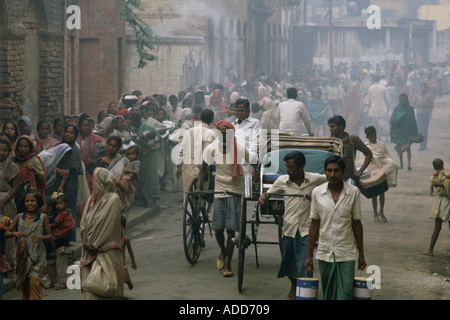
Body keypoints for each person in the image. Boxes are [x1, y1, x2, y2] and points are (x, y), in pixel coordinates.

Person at [258, 150, 327, 300]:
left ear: (301, 166)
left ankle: (306, 295)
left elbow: (332, 179)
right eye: (287, 167)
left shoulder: (314, 179)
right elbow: (268, 193)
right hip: (289, 228)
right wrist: (263, 197)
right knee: (288, 262)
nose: (288, 170)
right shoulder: (282, 180)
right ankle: (294, 285)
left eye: (291, 168)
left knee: (305, 263)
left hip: (307, 229)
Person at [305, 155, 366, 300]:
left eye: (336, 171)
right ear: (325, 172)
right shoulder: (317, 192)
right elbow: (314, 223)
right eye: (329, 171)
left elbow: (357, 224)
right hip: (325, 251)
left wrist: (362, 255)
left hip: (346, 252)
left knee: (345, 293)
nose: (333, 175)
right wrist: (308, 256)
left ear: (343, 172)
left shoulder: (353, 192)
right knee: (328, 293)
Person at [198, 121, 253, 278]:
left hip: (235, 191)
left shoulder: (240, 149)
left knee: (230, 230)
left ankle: (228, 265)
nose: (223, 136)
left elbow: (254, 162)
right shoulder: (212, 148)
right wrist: (199, 185)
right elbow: (203, 168)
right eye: (220, 133)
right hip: (220, 191)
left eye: (226, 133)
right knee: (218, 229)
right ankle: (222, 250)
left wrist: (252, 176)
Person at [80, 168, 124, 299]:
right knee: (90, 290)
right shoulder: (90, 201)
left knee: (108, 290)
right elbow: (83, 224)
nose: (90, 183)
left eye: (93, 180)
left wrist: (96, 245)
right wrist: (85, 243)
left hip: (107, 253)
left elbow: (109, 227)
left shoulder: (114, 200)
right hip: (89, 251)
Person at [5, 190, 53, 300]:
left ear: (38, 202)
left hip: (38, 256)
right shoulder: (19, 217)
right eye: (27, 201)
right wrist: (15, 233)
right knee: (25, 286)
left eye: (33, 200)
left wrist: (42, 237)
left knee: (35, 283)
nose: (30, 203)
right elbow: (7, 233)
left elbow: (50, 236)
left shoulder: (43, 218)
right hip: (22, 256)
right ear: (24, 202)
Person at [47, 125, 83, 241]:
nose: (68, 134)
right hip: (56, 178)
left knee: (68, 206)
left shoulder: (75, 149)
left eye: (71, 133)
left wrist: (62, 186)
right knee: (54, 204)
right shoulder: (59, 146)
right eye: (66, 132)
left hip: (69, 182)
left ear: (75, 135)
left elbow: (69, 170)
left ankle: (69, 236)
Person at [364, 126, 398, 222]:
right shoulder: (366, 146)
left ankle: (381, 212)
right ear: (367, 137)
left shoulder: (382, 145)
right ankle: (375, 213)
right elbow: (364, 160)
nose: (373, 138)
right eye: (371, 136)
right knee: (374, 194)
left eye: (374, 136)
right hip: (373, 172)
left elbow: (387, 157)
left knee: (382, 193)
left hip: (382, 170)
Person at [328, 115, 373, 183]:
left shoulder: (353, 140)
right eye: (330, 126)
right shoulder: (330, 141)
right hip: (333, 178)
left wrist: (360, 171)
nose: (330, 129)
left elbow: (368, 154)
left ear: (341, 127)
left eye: (333, 126)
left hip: (349, 178)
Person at [12, 136, 47, 214]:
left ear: (30, 147)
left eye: (26, 146)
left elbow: (43, 179)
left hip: (31, 197)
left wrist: (33, 170)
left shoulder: (34, 159)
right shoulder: (14, 161)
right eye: (21, 146)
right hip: (16, 196)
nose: (23, 149)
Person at [422, 159, 450, 256]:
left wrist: (436, 186)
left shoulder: (434, 177)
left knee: (437, 226)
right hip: (446, 200)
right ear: (443, 165)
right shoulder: (446, 174)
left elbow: (433, 187)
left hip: (442, 201)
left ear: (434, 167)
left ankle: (430, 250)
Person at [0, 139, 19, 273]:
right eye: (0, 149)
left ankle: (9, 264)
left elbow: (15, 187)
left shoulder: (12, 166)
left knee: (8, 232)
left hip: (7, 202)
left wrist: (4, 200)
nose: (2, 152)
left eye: (5, 150)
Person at [390, 94, 420, 171]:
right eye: (401, 99)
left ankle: (409, 164)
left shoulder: (410, 109)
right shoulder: (397, 108)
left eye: (404, 99)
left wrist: (415, 132)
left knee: (408, 148)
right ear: (399, 100)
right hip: (400, 131)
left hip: (408, 131)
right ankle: (401, 164)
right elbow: (393, 119)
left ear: (407, 99)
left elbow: (413, 120)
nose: (403, 101)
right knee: (400, 148)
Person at [50, 194, 74, 290]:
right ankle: (54, 281)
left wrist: (49, 225)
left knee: (61, 264)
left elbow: (56, 223)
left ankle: (63, 283)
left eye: (60, 203)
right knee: (54, 263)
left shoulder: (63, 214)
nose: (58, 205)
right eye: (57, 204)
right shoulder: (63, 213)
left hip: (62, 241)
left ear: (66, 204)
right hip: (59, 241)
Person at [116, 145, 141, 212]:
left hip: (129, 178)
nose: (130, 156)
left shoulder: (136, 162)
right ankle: (123, 202)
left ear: (137, 155)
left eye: (132, 154)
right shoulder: (129, 161)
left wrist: (129, 171)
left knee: (119, 187)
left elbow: (137, 171)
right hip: (125, 177)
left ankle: (124, 203)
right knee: (119, 188)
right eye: (129, 154)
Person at [367, 75, 391, 141]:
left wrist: (370, 107)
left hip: (373, 110)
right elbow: (387, 100)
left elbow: (369, 101)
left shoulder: (370, 88)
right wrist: (389, 108)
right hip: (383, 109)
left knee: (375, 125)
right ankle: (385, 137)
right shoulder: (383, 88)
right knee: (384, 124)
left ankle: (378, 137)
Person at [412, 82, 433, 151]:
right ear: (420, 88)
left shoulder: (428, 96)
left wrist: (426, 105)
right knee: (421, 129)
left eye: (424, 87)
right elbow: (413, 105)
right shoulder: (416, 96)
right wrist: (418, 104)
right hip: (419, 114)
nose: (422, 88)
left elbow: (431, 106)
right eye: (421, 87)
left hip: (426, 114)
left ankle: (424, 144)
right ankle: (422, 144)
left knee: (425, 129)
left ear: (426, 88)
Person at [121, 215, 137, 290]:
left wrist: (133, 262)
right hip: (113, 261)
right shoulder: (111, 238)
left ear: (124, 227)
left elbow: (130, 250)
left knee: (126, 279)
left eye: (120, 226)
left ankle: (129, 283)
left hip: (122, 262)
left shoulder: (125, 239)